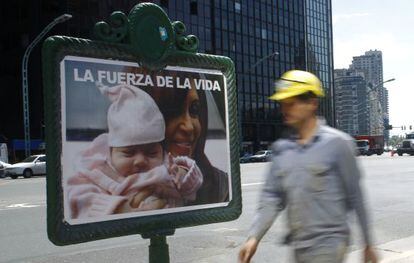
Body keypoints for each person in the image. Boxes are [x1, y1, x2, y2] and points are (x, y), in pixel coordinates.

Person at [238, 70, 378, 263]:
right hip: (299, 246)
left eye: (292, 103)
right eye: (283, 103)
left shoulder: (339, 144)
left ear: (312, 103)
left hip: (330, 244)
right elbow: (272, 197)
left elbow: (355, 196)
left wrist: (368, 243)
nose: (284, 109)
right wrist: (254, 237)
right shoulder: (281, 150)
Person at [66, 84, 203, 219]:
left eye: (151, 153)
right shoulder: (98, 171)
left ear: (161, 150)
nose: (140, 161)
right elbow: (77, 196)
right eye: (129, 153)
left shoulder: (167, 166)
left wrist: (183, 173)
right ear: (111, 151)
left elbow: (192, 186)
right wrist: (118, 208)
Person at [145, 80, 229, 205]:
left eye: (194, 110)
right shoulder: (116, 186)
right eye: (173, 112)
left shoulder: (220, 185)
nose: (189, 127)